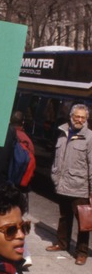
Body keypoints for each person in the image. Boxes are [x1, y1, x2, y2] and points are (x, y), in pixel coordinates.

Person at [47, 104, 92, 264]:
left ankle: (81, 252)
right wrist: (54, 175)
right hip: (63, 184)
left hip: (80, 188)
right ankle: (62, 243)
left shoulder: (89, 138)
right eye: (77, 116)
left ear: (86, 119)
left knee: (83, 223)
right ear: (71, 117)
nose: (79, 120)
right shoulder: (62, 134)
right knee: (64, 217)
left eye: (83, 117)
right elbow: (57, 158)